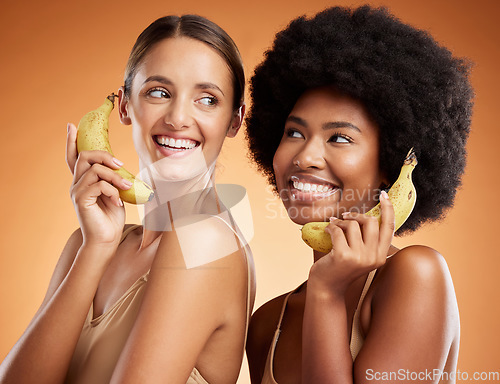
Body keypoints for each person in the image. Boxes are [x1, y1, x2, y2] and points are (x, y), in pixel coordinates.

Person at [0, 15, 255, 384]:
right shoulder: (90, 243)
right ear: (123, 106)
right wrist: (97, 246)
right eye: (159, 92)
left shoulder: (206, 242)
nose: (179, 117)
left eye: (207, 99)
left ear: (234, 121)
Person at [244, 5, 473, 384]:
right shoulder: (267, 322)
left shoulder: (414, 275)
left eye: (340, 138)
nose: (305, 157)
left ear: (389, 165)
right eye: (294, 133)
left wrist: (327, 294)